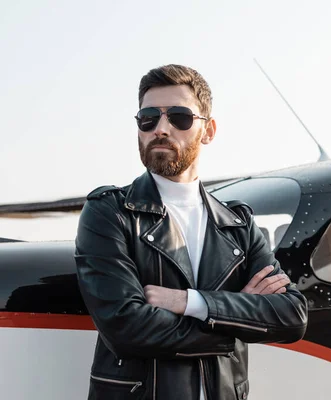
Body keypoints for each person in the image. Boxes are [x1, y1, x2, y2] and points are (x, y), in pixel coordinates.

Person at [74, 64, 308, 400]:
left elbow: (291, 316)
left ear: (208, 130)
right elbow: (126, 328)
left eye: (180, 117)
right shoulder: (109, 211)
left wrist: (188, 302)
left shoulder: (238, 224)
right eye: (148, 118)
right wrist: (237, 320)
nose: (161, 128)